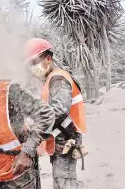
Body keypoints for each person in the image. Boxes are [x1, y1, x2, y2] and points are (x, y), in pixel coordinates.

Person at [24, 38, 87, 189]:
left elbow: (59, 109)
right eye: (30, 64)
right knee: (63, 182)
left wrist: (35, 125)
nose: (33, 67)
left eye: (35, 62)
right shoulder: (51, 79)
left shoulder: (58, 78)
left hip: (66, 139)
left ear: (48, 58)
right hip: (62, 140)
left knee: (65, 183)